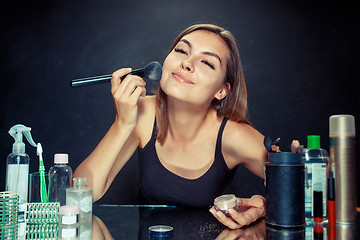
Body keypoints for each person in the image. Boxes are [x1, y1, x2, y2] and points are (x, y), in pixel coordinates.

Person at [73, 23, 268, 229]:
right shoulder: (142, 113)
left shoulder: (234, 135)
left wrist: (265, 205)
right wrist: (122, 124)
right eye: (182, 51)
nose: (187, 63)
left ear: (222, 90)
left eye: (207, 63)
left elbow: (304, 184)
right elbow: (80, 196)